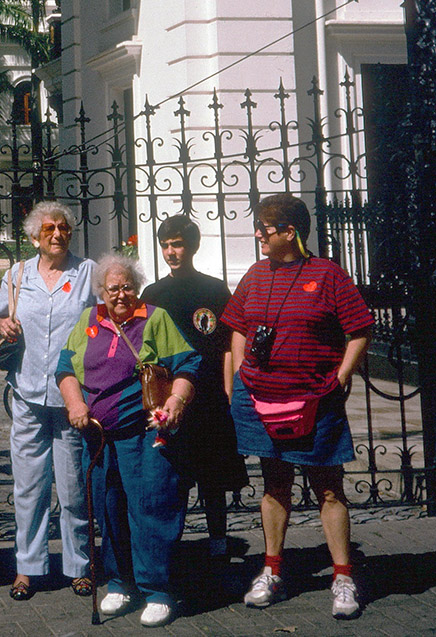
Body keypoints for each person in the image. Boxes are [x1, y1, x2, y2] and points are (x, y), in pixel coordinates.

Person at [220, 194, 372, 619]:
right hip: (262, 399)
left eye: (265, 229)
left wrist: (339, 378)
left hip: (313, 402)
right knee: (274, 485)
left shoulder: (327, 275)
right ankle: (272, 570)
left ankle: (342, 576)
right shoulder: (255, 274)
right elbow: (237, 325)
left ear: (290, 232)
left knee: (328, 488)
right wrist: (237, 377)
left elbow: (359, 329)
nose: (258, 235)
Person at [57, 254, 199, 628]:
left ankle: (158, 589)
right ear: (101, 292)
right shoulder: (88, 320)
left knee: (152, 506)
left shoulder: (154, 318)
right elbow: (64, 367)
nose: (121, 294)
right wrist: (75, 404)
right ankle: (121, 583)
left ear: (136, 288)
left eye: (127, 287)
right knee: (109, 508)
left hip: (145, 433)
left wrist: (175, 401)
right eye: (112, 288)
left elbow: (187, 363)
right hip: (100, 436)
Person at [0, 201, 96, 600]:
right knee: (29, 488)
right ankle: (28, 567)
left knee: (72, 488)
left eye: (63, 227)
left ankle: (79, 566)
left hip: (73, 399)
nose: (56, 234)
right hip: (28, 393)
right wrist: (1, 322)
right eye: (48, 228)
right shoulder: (17, 275)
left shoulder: (87, 274)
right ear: (35, 236)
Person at [140, 215, 248, 557]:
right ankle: (173, 544)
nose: (171, 252)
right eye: (165, 245)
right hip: (169, 399)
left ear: (193, 246)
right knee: (173, 476)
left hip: (210, 396)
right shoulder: (153, 293)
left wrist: (230, 389)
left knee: (213, 475)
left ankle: (218, 541)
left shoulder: (214, 290)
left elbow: (229, 342)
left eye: (177, 244)